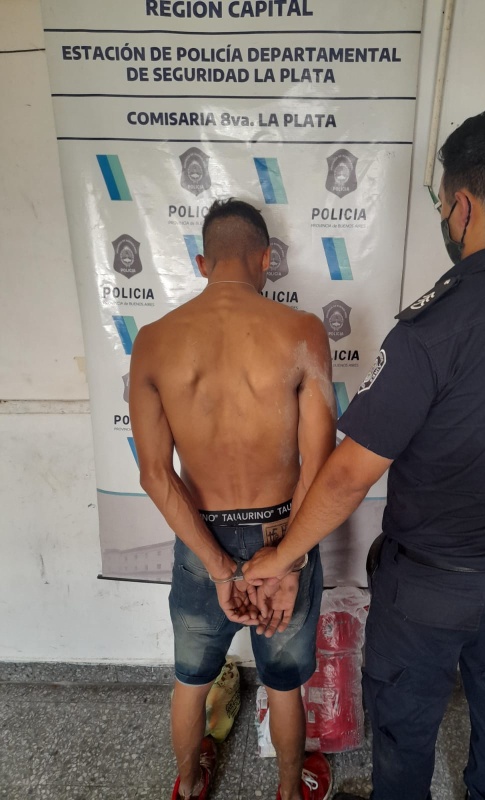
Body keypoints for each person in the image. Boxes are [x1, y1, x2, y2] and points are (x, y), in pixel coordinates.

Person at [244, 106, 485, 800]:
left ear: (462, 207)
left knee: (406, 729)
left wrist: (280, 557)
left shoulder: (432, 329)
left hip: (430, 590)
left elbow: (348, 478)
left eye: (442, 205)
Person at [129, 198, 336, 800]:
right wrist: (290, 558)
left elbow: (154, 475)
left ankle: (190, 785)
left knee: (191, 680)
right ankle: (290, 791)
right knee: (284, 684)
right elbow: (319, 465)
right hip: (284, 534)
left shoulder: (154, 341)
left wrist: (219, 566)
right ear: (266, 259)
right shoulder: (302, 332)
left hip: (202, 538)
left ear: (202, 263)